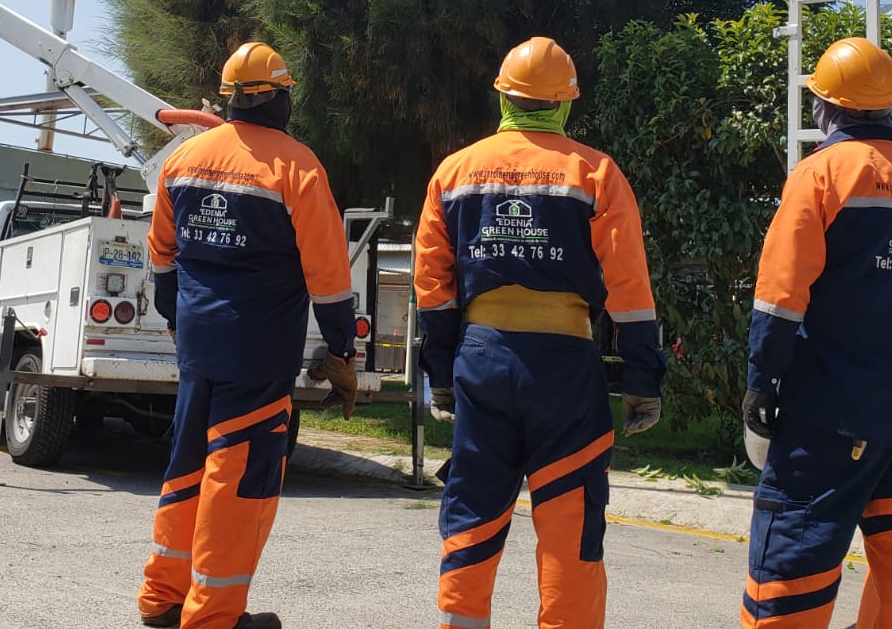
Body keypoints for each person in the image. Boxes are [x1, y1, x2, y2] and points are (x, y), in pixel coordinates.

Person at [414, 36, 666, 629]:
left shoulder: (455, 172)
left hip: (481, 358)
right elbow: (628, 285)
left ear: (502, 94)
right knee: (569, 516)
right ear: (566, 103)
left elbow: (434, 283)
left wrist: (442, 375)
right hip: (565, 364)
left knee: (473, 503)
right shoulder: (595, 171)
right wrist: (642, 378)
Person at [740, 36, 892, 629]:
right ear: (890, 106)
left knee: (795, 550)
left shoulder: (821, 174)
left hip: (833, 411)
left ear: (826, 106)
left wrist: (762, 379)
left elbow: (781, 293)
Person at [137, 41, 359, 629]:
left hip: (199, 346)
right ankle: (213, 616)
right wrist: (340, 350)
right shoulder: (297, 167)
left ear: (231, 97)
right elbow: (329, 278)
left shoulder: (184, 159)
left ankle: (163, 598)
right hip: (258, 352)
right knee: (238, 481)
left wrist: (179, 319)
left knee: (186, 467)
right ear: (283, 98)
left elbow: (161, 254)